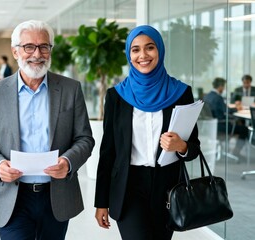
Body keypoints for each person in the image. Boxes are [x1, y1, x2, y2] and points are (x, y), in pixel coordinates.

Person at [0, 20, 94, 240]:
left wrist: (67, 163)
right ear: (15, 51)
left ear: (50, 50)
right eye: (29, 46)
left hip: (55, 196)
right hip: (13, 196)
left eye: (44, 46)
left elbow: (84, 139)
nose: (37, 54)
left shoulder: (70, 89)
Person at [94, 25, 200, 240]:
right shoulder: (117, 96)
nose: (143, 55)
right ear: (129, 54)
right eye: (135, 49)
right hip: (129, 187)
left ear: (159, 50)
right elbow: (108, 152)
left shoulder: (181, 93)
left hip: (168, 187)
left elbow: (194, 148)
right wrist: (101, 202)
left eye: (149, 47)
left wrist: (181, 146)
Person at [204, 77, 248, 158]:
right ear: (220, 86)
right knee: (244, 129)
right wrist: (237, 108)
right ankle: (236, 152)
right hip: (220, 126)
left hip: (211, 125)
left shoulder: (207, 96)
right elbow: (227, 110)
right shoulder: (218, 97)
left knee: (238, 123)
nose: (224, 88)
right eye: (223, 87)